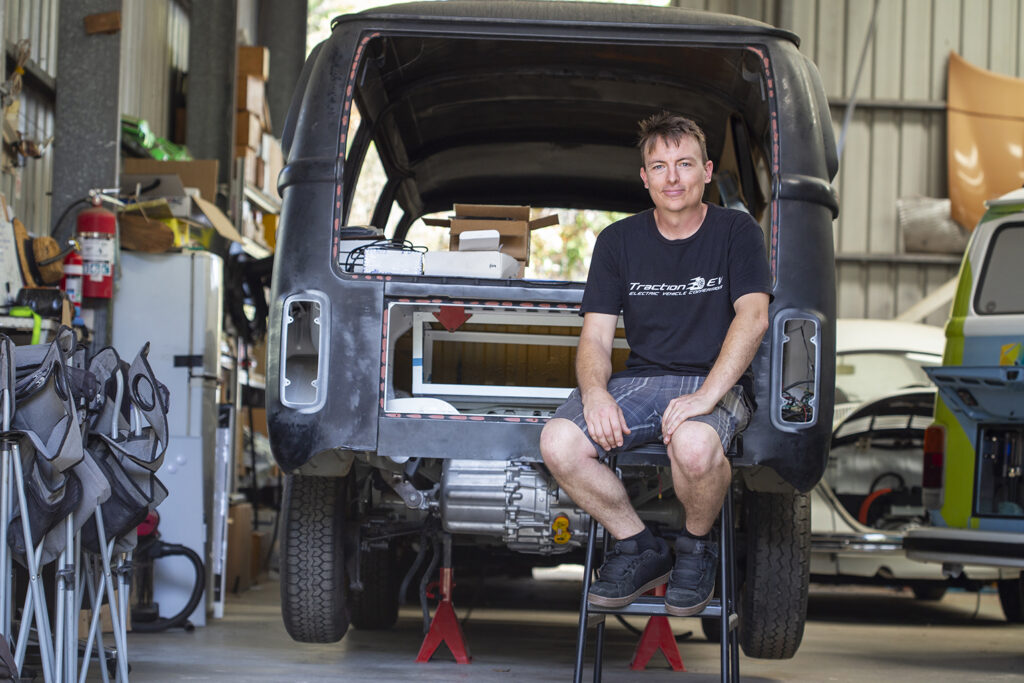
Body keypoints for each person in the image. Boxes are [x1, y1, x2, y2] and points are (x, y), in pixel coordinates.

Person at [540, 111, 770, 616]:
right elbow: (596, 337)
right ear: (644, 177)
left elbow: (753, 318)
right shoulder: (618, 242)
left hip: (717, 381)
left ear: (707, 171)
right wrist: (596, 394)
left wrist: (706, 396)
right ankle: (640, 547)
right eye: (660, 166)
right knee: (558, 441)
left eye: (684, 164)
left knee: (691, 445)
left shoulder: (737, 232)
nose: (672, 178)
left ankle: (695, 547)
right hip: (644, 380)